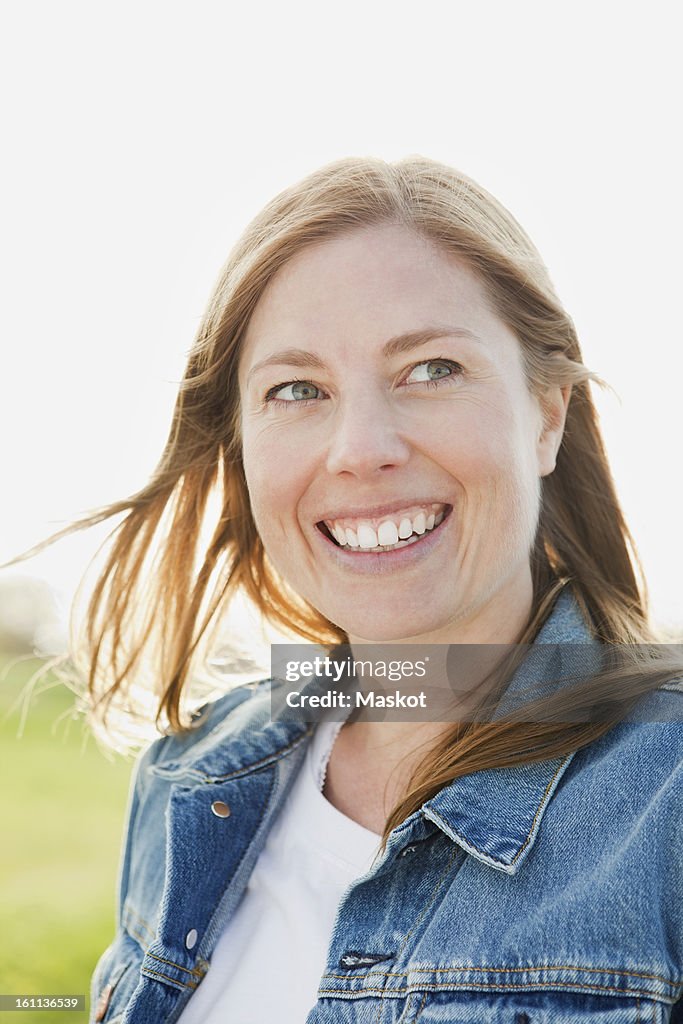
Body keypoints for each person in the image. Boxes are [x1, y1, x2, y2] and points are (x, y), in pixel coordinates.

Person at [77, 158, 682, 1023]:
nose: (361, 448)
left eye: (431, 369)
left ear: (545, 413)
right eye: (297, 390)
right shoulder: (188, 778)